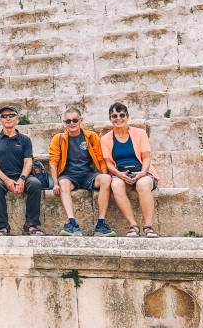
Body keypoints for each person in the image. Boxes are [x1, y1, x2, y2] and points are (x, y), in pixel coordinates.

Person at [48, 107, 113, 237]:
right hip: (69, 176)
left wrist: (105, 173)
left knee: (106, 179)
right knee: (63, 184)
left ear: (81, 120)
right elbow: (53, 163)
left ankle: (101, 224)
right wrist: (55, 184)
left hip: (89, 174)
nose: (72, 123)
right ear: (64, 123)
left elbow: (100, 159)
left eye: (75, 120)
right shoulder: (58, 138)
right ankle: (72, 223)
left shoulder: (91, 136)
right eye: (68, 121)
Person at [101, 102, 160, 238]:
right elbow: (109, 163)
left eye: (122, 115)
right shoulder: (105, 139)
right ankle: (133, 226)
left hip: (142, 171)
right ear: (110, 119)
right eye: (114, 116)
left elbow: (146, 157)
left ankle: (148, 227)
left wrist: (143, 172)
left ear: (127, 117)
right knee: (115, 185)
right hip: (120, 173)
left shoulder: (140, 133)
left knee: (143, 184)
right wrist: (119, 174)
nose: (118, 118)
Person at [0, 105, 44, 236]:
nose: (8, 118)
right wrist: (7, 180)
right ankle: (2, 226)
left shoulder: (25, 140)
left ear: (17, 119)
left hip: (22, 175)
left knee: (35, 184)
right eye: (4, 116)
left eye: (11, 115)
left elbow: (28, 162)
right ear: (0, 120)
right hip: (1, 177)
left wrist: (22, 179)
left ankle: (31, 225)